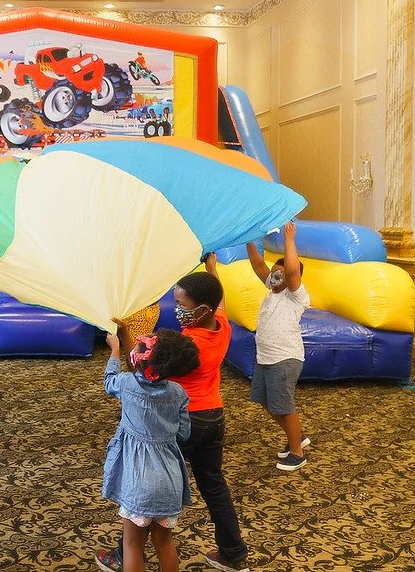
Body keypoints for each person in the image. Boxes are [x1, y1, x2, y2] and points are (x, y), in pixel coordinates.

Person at [96, 256, 251, 572]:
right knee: (214, 485)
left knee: (145, 481)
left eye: (181, 304)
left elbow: (141, 367)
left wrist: (124, 337)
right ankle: (233, 553)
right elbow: (219, 300)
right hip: (214, 416)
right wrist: (212, 269)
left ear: (202, 309)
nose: (178, 310)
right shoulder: (221, 325)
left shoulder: (186, 344)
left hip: (180, 419)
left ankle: (124, 555)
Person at [102, 320, 201, 572]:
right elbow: (184, 433)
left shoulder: (126, 384)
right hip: (170, 481)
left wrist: (114, 350)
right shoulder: (178, 393)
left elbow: (109, 381)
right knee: (165, 544)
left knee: (133, 546)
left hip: (139, 482)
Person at [245, 221, 311, 472]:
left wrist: (289, 239)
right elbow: (259, 265)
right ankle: (297, 436)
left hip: (285, 358)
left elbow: (292, 272)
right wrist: (248, 238)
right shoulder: (272, 288)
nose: (274, 276)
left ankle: (297, 452)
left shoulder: (296, 295)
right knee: (266, 402)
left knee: (283, 405)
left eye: (280, 274)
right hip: (266, 358)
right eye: (274, 273)